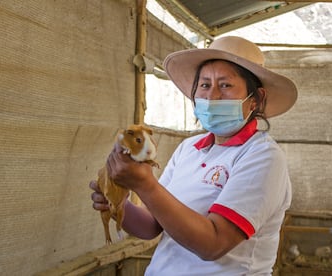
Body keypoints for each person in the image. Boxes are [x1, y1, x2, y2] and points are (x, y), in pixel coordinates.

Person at [90, 36, 297, 275]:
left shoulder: (262, 156)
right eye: (205, 85)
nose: (212, 97)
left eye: (226, 85)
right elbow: (152, 226)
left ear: (255, 100)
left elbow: (213, 244)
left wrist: (144, 185)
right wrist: (119, 204)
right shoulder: (189, 148)